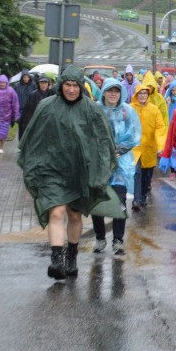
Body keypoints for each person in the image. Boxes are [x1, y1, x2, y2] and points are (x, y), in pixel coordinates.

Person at [18, 66, 116, 280]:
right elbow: (33, 138)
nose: (71, 90)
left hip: (80, 172)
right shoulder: (46, 107)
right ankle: (56, 259)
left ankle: (71, 254)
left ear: (81, 87)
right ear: (61, 85)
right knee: (56, 212)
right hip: (52, 171)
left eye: (75, 86)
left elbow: (103, 142)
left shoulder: (92, 110)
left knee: (74, 214)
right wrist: (34, 165)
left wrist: (100, 171)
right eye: (67, 85)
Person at [92, 77, 141, 254]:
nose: (113, 94)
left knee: (119, 202)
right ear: (103, 91)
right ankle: (99, 238)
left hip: (120, 165)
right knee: (97, 202)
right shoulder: (95, 110)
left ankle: (118, 239)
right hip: (99, 165)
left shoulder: (127, 111)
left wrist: (119, 149)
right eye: (110, 90)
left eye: (116, 91)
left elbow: (135, 134)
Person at [130, 85, 167, 211]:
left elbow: (160, 128)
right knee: (136, 173)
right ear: (136, 95)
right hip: (134, 149)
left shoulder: (154, 110)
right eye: (140, 93)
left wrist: (160, 145)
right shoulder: (130, 109)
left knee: (146, 176)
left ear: (148, 95)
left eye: (145, 93)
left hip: (150, 148)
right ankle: (137, 200)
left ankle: (143, 195)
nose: (142, 96)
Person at [13, 70, 35, 141]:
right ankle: (21, 144)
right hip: (21, 110)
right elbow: (14, 98)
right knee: (21, 127)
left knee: (30, 127)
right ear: (22, 78)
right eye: (24, 77)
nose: (26, 79)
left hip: (30, 110)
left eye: (27, 77)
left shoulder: (33, 85)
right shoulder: (17, 86)